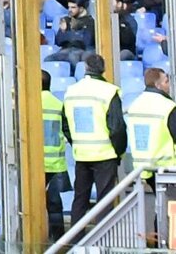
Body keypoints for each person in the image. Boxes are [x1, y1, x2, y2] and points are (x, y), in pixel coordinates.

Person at [62, 57, 127, 218]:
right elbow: (117, 127)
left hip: (82, 154)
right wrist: (118, 151)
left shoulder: (71, 91)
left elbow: (65, 124)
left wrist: (76, 142)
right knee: (104, 202)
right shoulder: (110, 91)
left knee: (79, 199)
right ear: (103, 69)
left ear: (85, 67)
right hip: (105, 154)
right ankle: (103, 240)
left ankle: (75, 240)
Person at [125, 67, 176, 173]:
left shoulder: (134, 105)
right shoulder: (167, 106)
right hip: (166, 167)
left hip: (141, 168)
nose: (169, 85)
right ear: (158, 85)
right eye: (166, 81)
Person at [38, 70, 71, 226]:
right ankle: (58, 240)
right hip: (55, 163)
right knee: (55, 204)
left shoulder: (28, 105)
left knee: (32, 205)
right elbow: (68, 132)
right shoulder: (58, 104)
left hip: (34, 163)